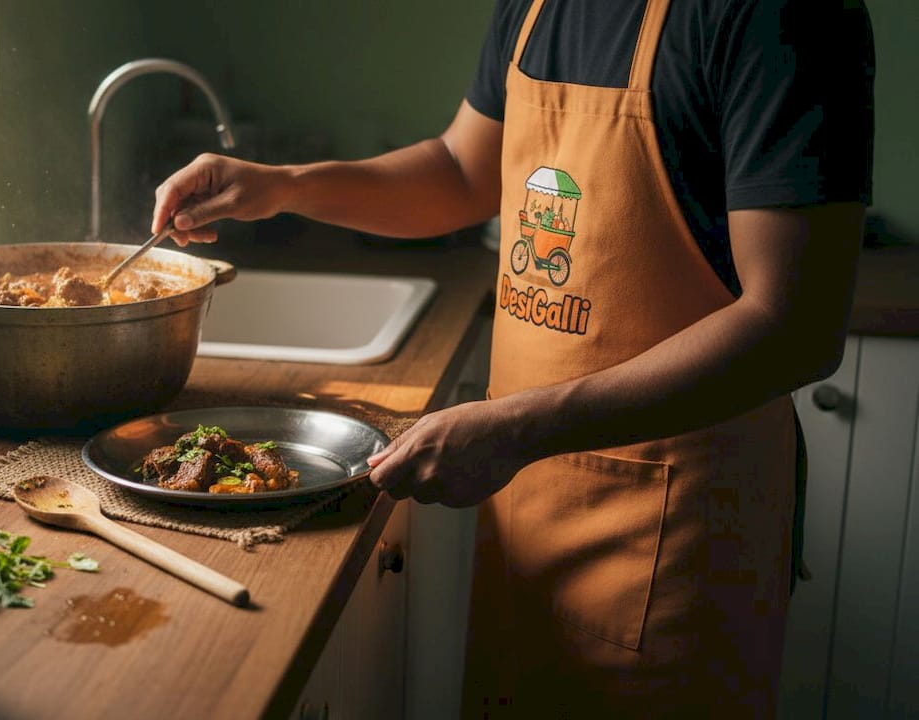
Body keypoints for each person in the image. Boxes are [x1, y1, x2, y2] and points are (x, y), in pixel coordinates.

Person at [151, 0, 874, 716]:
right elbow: (462, 173)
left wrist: (521, 427)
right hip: (525, 510)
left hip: (676, 541)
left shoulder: (786, 18)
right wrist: (283, 186)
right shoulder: (536, 6)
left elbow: (794, 325)